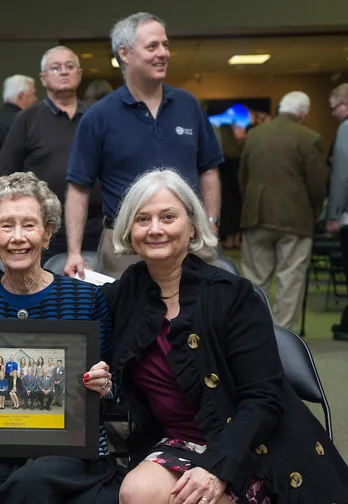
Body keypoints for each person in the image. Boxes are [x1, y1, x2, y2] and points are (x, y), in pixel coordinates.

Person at [99, 168, 348, 503]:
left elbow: (263, 399)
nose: (155, 229)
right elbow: (69, 307)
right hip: (178, 441)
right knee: (135, 491)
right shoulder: (123, 294)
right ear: (129, 229)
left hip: (252, 446)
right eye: (143, 219)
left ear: (191, 226)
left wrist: (219, 468)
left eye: (168, 217)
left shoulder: (232, 295)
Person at [0, 171, 122, 504]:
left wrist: (104, 387)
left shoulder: (87, 300)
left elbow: (112, 391)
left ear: (47, 235)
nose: (18, 237)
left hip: (71, 449)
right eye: (6, 226)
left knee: (34, 479)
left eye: (29, 225)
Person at [65, 12, 223, 279]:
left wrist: (211, 226)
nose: (163, 53)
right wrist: (74, 251)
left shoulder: (189, 105)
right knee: (127, 319)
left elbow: (209, 170)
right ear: (124, 54)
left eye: (165, 44)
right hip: (125, 247)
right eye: (152, 46)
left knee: (204, 317)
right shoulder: (99, 116)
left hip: (190, 243)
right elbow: (79, 187)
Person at [0, 46, 101, 257]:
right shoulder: (27, 119)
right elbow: (5, 175)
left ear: (79, 74)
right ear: (43, 79)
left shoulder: (96, 118)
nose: (63, 71)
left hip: (96, 227)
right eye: (55, 68)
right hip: (42, 229)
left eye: (69, 66)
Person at [238, 91, 327, 333]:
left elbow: (243, 178)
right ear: (303, 114)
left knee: (255, 280)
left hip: (256, 214)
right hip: (296, 219)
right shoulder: (310, 138)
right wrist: (316, 211)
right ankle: (284, 338)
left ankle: (252, 333)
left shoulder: (254, 135)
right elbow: (318, 185)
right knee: (290, 281)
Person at [0, 75, 37, 199]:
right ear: (21, 96)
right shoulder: (24, 124)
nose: (35, 99)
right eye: (33, 94)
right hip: (16, 198)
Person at [324, 83, 348, 341]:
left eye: (335, 107)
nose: (333, 114)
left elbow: (342, 176)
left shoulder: (345, 129)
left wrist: (333, 214)